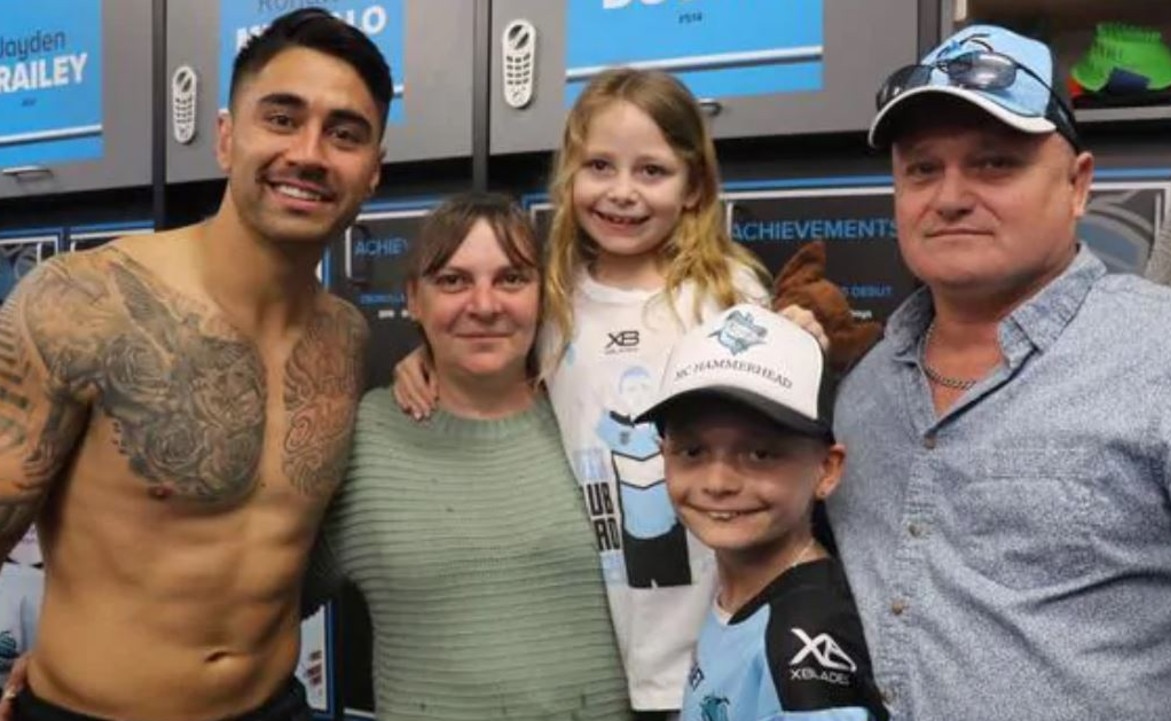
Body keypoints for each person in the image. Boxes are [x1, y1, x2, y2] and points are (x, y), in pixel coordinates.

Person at [831, 24, 1171, 720]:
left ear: (1077, 185)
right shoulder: (862, 391)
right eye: (922, 168)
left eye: (994, 164)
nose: (949, 196)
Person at [392, 67, 835, 718]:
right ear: (570, 177)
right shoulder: (552, 299)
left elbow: (783, 426)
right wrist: (423, 353)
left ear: (694, 188)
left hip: (722, 635)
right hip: (597, 651)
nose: (622, 192)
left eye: (651, 171)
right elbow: (484, 348)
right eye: (600, 165)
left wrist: (798, 336)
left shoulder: (727, 293)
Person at [0, 9, 386, 721]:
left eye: (345, 133)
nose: (309, 152)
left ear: (373, 173)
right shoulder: (84, 300)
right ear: (225, 138)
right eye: (281, 117)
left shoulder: (348, 338)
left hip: (273, 706)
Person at [304, 192, 630, 720]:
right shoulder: (362, 439)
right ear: (414, 298)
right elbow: (262, 604)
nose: (484, 305)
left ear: (542, 296)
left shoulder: (599, 418)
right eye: (453, 281)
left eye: (511, 279)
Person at [636, 304, 888, 721]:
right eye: (693, 451)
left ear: (827, 469)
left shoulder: (802, 642)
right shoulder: (746, 594)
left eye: (760, 453)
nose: (718, 483)